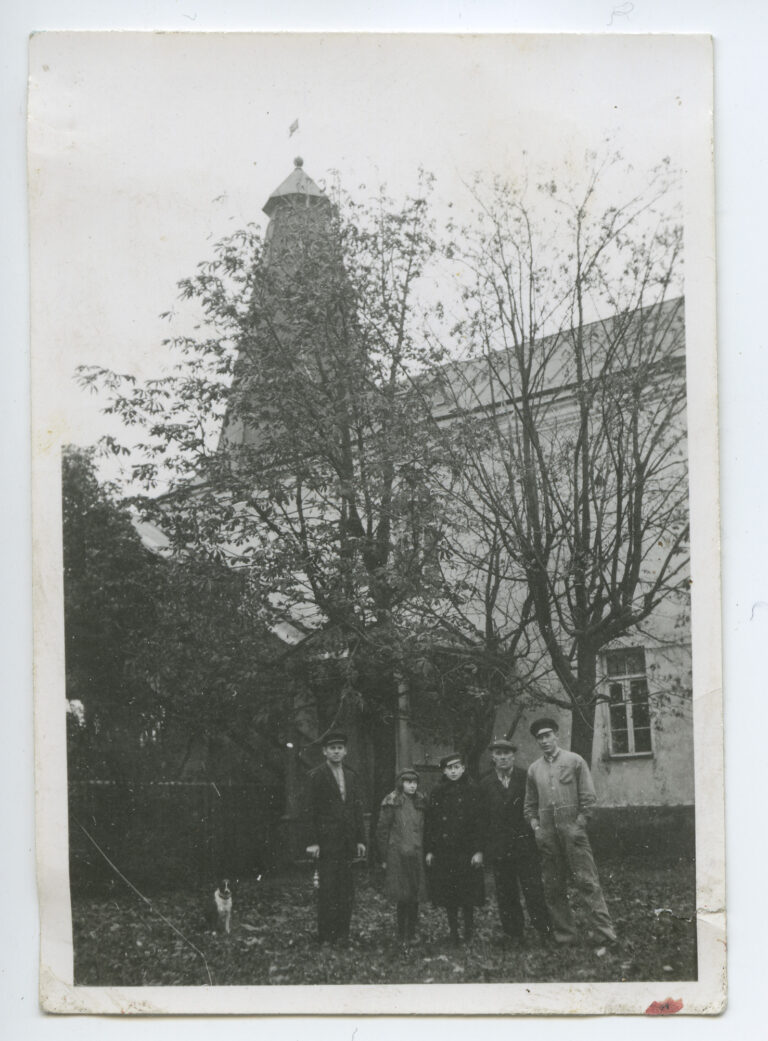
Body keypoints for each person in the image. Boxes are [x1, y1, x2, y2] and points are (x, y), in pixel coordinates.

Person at [523, 717, 617, 949]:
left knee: (587, 882)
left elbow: (588, 797)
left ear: (556, 736)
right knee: (553, 887)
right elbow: (529, 805)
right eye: (539, 738)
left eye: (547, 735)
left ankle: (604, 934)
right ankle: (566, 936)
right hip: (548, 836)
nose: (544, 741)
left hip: (573, 833)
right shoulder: (534, 770)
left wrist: (580, 824)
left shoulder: (574, 761)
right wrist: (536, 828)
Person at [480, 737, 551, 946]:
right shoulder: (485, 783)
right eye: (498, 754)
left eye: (507, 754)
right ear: (493, 757)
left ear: (513, 756)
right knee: (506, 893)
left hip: (524, 845)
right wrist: (486, 848)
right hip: (499, 848)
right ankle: (514, 934)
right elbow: (482, 819)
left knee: (533, 890)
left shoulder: (525, 777)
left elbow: (536, 806)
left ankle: (544, 932)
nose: (503, 758)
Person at [304, 730, 366, 944]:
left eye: (340, 748)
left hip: (347, 841)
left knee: (346, 889)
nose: (336, 751)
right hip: (326, 842)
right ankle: (326, 935)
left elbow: (356, 809)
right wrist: (312, 841)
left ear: (345, 751)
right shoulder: (316, 775)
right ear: (324, 751)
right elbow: (309, 810)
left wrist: (360, 840)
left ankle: (343, 934)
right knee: (328, 888)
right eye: (332, 748)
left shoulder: (351, 775)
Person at [424, 752, 485, 945]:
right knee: (449, 894)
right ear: (444, 770)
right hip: (445, 851)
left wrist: (478, 850)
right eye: (449, 768)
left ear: (463, 768)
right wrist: (430, 850)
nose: (453, 771)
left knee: (468, 895)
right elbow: (431, 823)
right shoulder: (437, 791)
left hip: (467, 850)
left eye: (457, 767)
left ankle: (468, 933)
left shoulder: (474, 789)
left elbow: (480, 822)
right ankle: (453, 934)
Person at [376, 768, 429, 944]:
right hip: (397, 855)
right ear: (401, 783)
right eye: (408, 782)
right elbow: (382, 830)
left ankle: (412, 932)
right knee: (402, 895)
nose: (412, 786)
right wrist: (384, 857)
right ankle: (401, 933)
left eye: (414, 782)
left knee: (414, 895)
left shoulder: (421, 802)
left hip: (416, 853)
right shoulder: (392, 802)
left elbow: (425, 829)